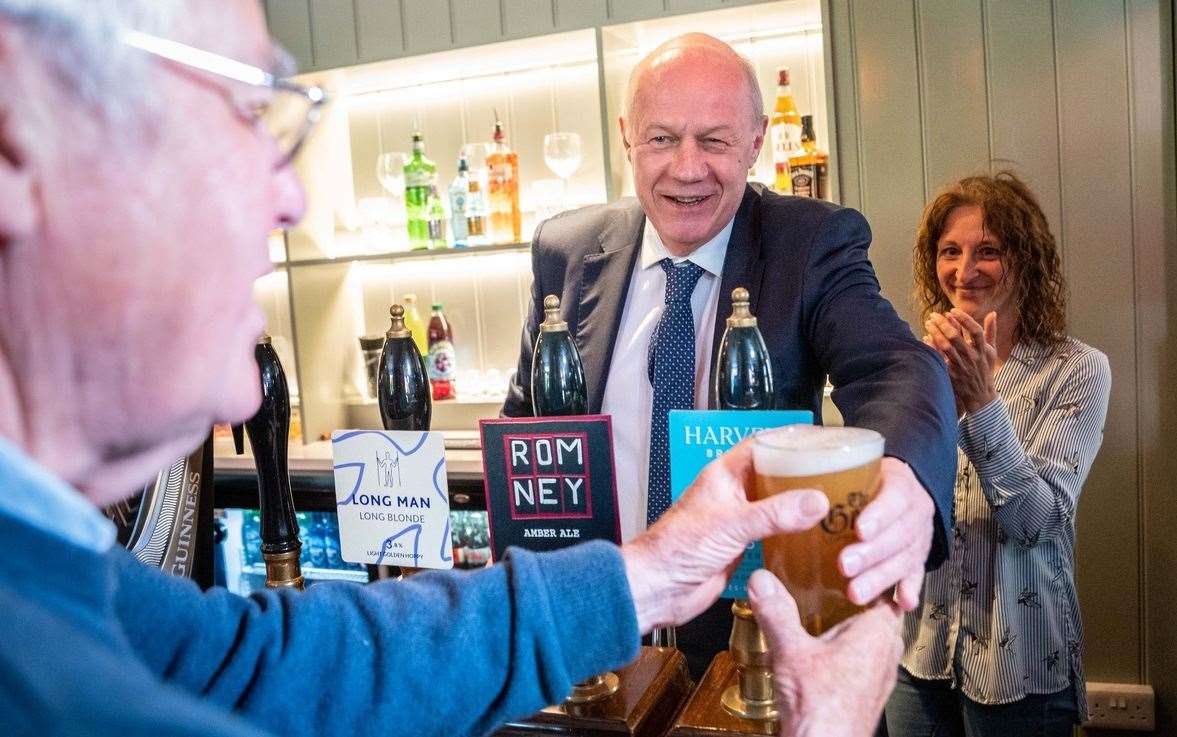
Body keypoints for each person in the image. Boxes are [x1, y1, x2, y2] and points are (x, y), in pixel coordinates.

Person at [0, 3, 902, 736]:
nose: (291, 194)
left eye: (713, 141)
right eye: (243, 111)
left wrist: (649, 571)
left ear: (753, 145)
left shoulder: (62, 580)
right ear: (15, 148)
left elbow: (256, 661)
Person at [502, 32, 958, 675]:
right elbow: (527, 425)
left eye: (714, 140)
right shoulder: (565, 249)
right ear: (627, 135)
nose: (688, 169)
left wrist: (907, 478)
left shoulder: (809, 242)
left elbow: (896, 367)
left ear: (756, 140)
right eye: (662, 138)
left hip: (751, 643)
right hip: (594, 631)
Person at [885, 172, 1111, 736]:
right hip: (918, 650)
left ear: (1026, 259)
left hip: (1021, 664)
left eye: (988, 251)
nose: (964, 271)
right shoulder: (916, 365)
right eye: (950, 252)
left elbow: (1037, 522)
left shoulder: (1077, 370)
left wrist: (982, 404)